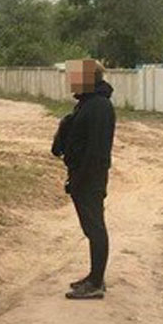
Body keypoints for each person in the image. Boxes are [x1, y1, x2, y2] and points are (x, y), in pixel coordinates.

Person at [52, 58, 116, 299]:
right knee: (91, 228)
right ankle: (93, 276)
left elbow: (97, 151)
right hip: (83, 175)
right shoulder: (88, 104)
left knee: (95, 228)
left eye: (76, 76)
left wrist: (80, 179)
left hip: (90, 178)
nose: (71, 81)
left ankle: (97, 283)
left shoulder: (99, 106)